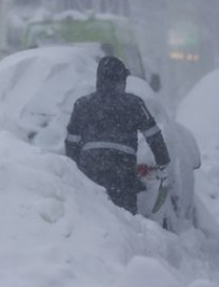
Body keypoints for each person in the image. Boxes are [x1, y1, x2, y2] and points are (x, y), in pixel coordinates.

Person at [65, 56, 171, 214]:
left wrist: (74, 170)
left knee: (93, 214)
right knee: (125, 218)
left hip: (91, 167)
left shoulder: (82, 104)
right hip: (122, 168)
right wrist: (163, 162)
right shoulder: (134, 104)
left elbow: (71, 143)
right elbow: (153, 135)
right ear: (121, 80)